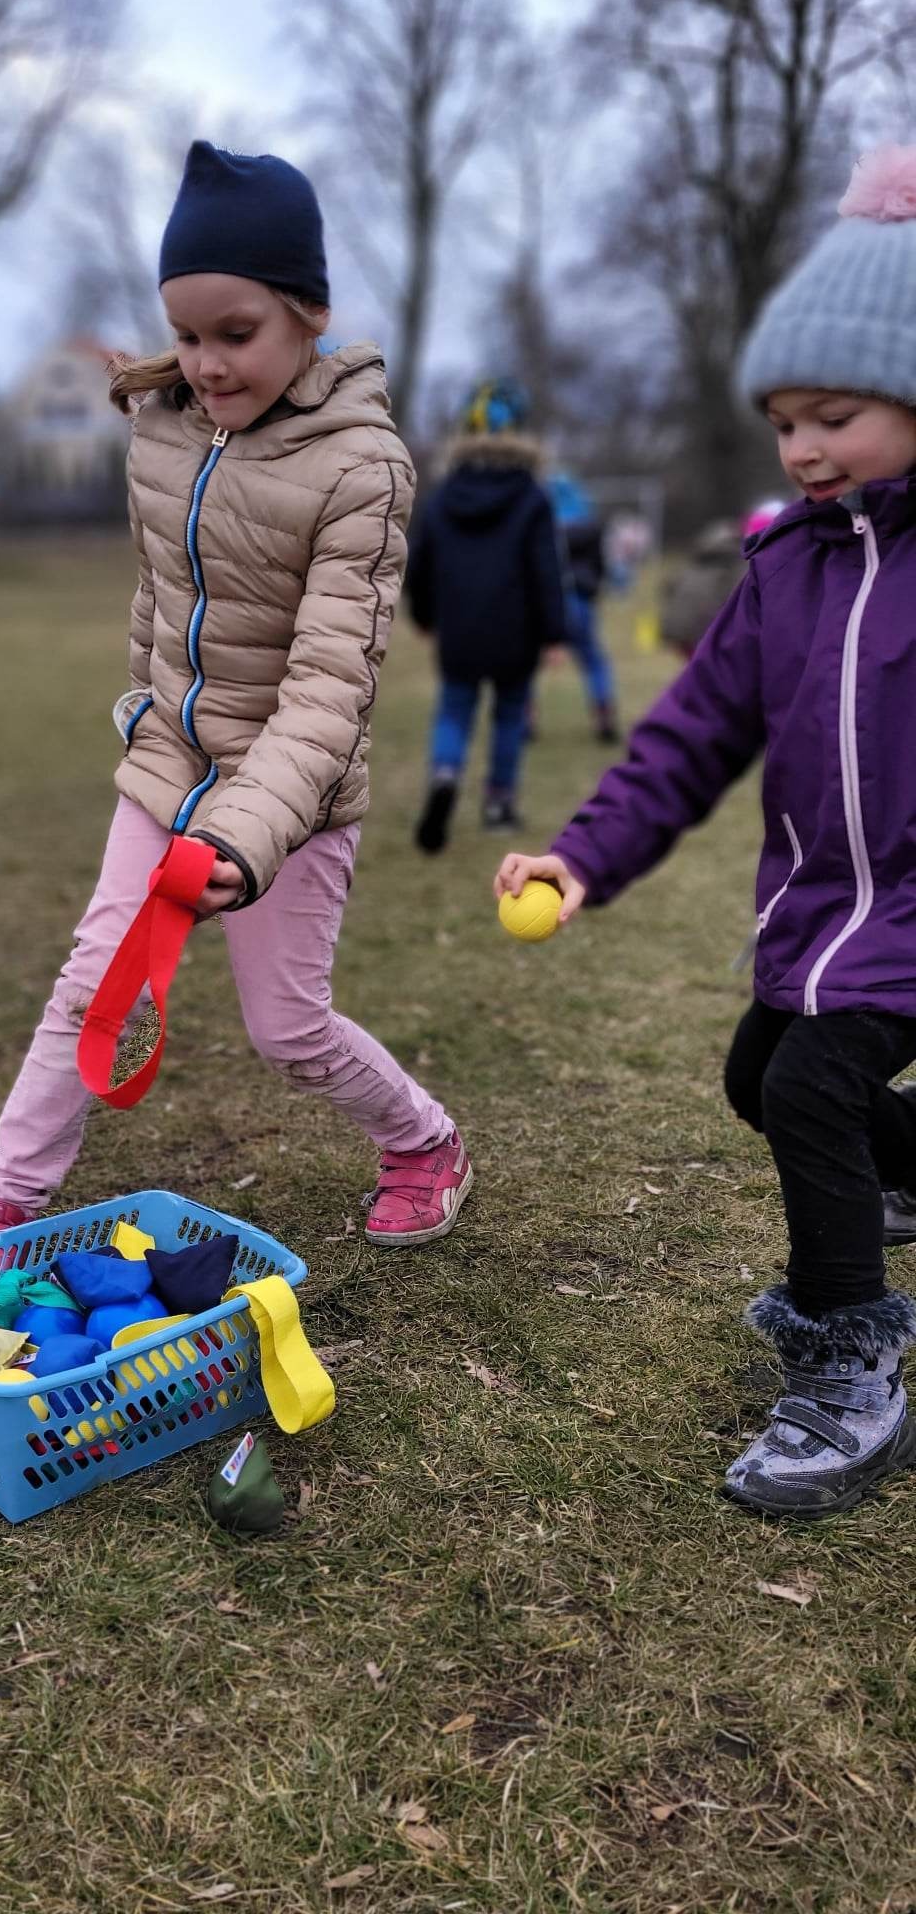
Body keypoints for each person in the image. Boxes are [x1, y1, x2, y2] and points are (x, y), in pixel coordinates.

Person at [493, 144, 916, 1518]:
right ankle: (879, 1207)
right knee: (761, 1080)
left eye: (836, 416)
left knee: (811, 1092)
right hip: (822, 911)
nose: (801, 448)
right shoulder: (781, 573)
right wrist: (581, 855)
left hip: (909, 914)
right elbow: (683, 742)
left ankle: (854, 1350)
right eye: (786, 419)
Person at [0, 142, 471, 1250]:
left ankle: (424, 1141)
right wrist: (146, 712)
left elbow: (333, 688)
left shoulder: (361, 469)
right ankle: (4, 1205)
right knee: (95, 980)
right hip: (169, 765)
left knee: (287, 1029)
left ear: (309, 315)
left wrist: (244, 831)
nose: (207, 364)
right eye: (186, 336)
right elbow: (161, 593)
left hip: (290, 796)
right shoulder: (163, 428)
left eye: (236, 335)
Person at [408, 379, 567, 850]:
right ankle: (499, 803)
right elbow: (546, 568)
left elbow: (421, 561)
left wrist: (423, 614)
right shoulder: (532, 496)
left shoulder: (443, 496)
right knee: (510, 715)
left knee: (455, 708)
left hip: (458, 626)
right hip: (515, 630)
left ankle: (445, 774)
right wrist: (554, 632)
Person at [660, 502, 785, 661]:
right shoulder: (744, 564)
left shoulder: (705, 554)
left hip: (678, 627)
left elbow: (670, 585)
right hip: (702, 630)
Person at [548, 472, 619, 742]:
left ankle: (524, 719)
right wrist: (594, 589)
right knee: (593, 660)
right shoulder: (591, 527)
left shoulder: (543, 525)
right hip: (580, 600)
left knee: (527, 662)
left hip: (549, 600)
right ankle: (603, 712)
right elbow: (601, 566)